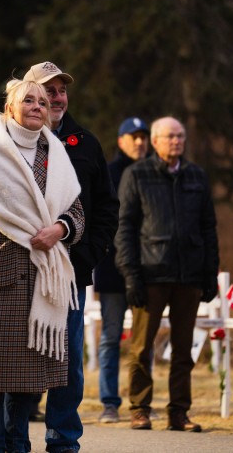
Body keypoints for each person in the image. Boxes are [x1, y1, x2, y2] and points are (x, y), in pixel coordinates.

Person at [0, 77, 85, 453]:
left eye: (42, 102)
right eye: (28, 100)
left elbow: (76, 211)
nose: (37, 107)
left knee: (27, 380)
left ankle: (19, 446)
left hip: (44, 279)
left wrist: (59, 229)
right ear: (9, 108)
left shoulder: (56, 153)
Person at [23, 62, 119, 452]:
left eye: (61, 90)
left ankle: (63, 442)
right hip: (21, 273)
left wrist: (88, 256)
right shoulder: (9, 142)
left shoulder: (86, 143)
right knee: (19, 363)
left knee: (67, 365)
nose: (57, 97)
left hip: (71, 275)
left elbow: (107, 208)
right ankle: (12, 440)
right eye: (49, 90)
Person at [115, 116, 219, 432]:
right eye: (170, 136)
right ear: (156, 141)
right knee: (141, 348)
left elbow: (208, 228)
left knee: (183, 350)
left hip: (189, 276)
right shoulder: (136, 174)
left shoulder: (197, 176)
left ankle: (179, 413)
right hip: (150, 275)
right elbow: (125, 228)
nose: (176, 141)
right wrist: (131, 275)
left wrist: (209, 273)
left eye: (180, 136)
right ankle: (140, 409)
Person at [94, 116, 149, 423]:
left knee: (143, 341)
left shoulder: (153, 173)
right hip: (112, 268)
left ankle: (141, 402)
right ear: (121, 141)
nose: (139, 142)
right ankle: (109, 403)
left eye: (143, 137)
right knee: (111, 337)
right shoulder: (108, 173)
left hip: (146, 270)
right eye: (133, 137)